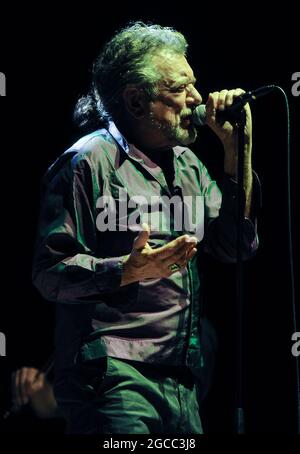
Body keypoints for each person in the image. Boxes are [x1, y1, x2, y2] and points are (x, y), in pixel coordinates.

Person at [32, 22, 260, 434]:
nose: (197, 100)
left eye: (195, 84)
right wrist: (127, 269)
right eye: (179, 88)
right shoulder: (89, 162)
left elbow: (236, 248)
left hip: (181, 378)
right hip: (112, 374)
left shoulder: (188, 166)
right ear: (136, 101)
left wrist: (236, 152)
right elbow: (49, 272)